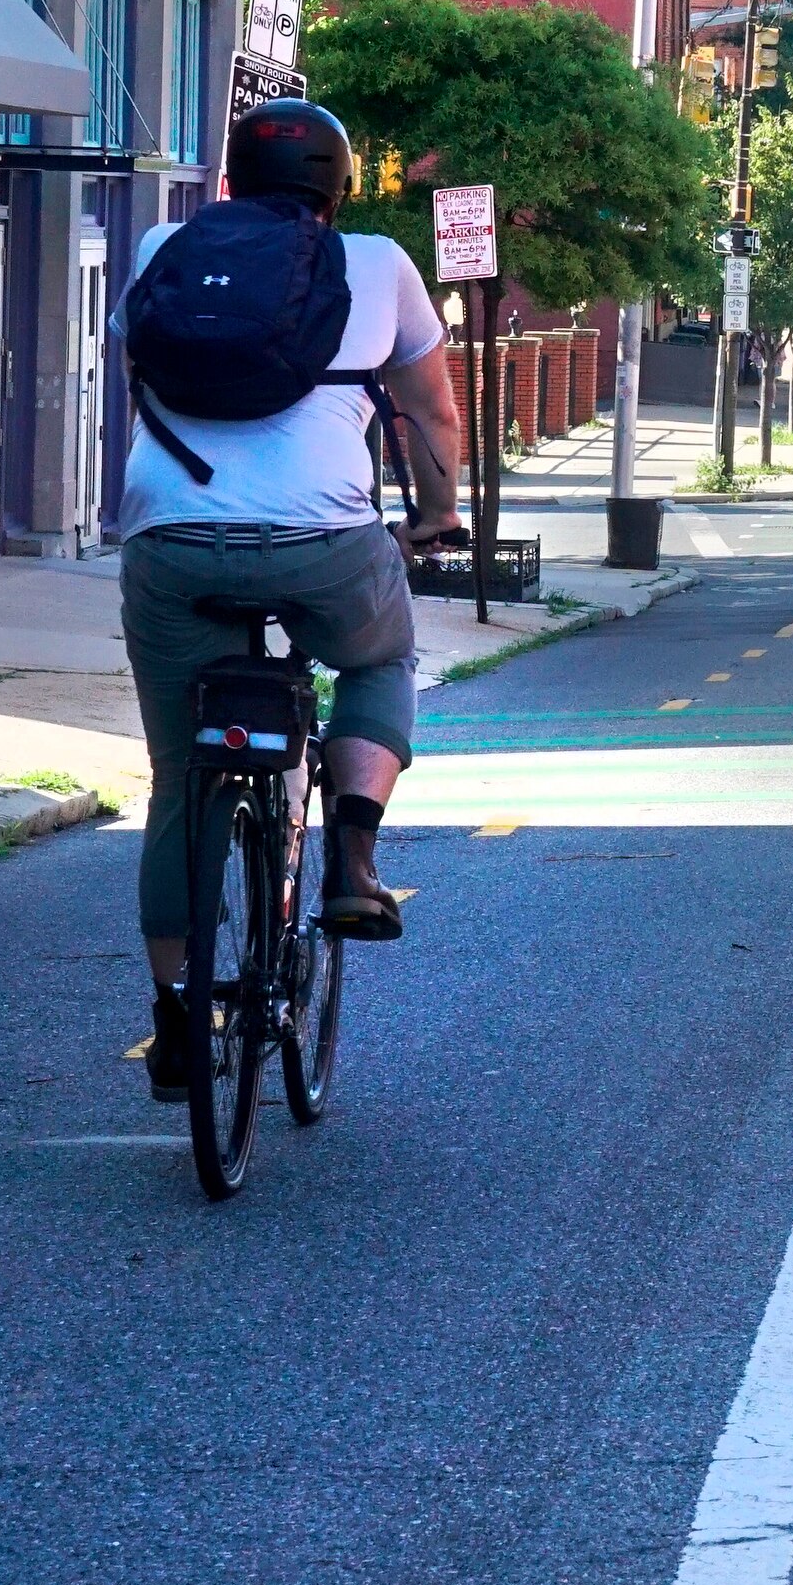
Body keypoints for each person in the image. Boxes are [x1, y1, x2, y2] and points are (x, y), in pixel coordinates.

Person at [115, 98, 469, 1103]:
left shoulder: (162, 248)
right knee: (376, 657)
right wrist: (436, 518)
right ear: (337, 187)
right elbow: (433, 410)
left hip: (171, 540)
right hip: (324, 541)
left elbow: (136, 369)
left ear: (230, 176)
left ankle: (178, 1017)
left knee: (180, 783)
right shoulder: (380, 266)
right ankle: (353, 861)